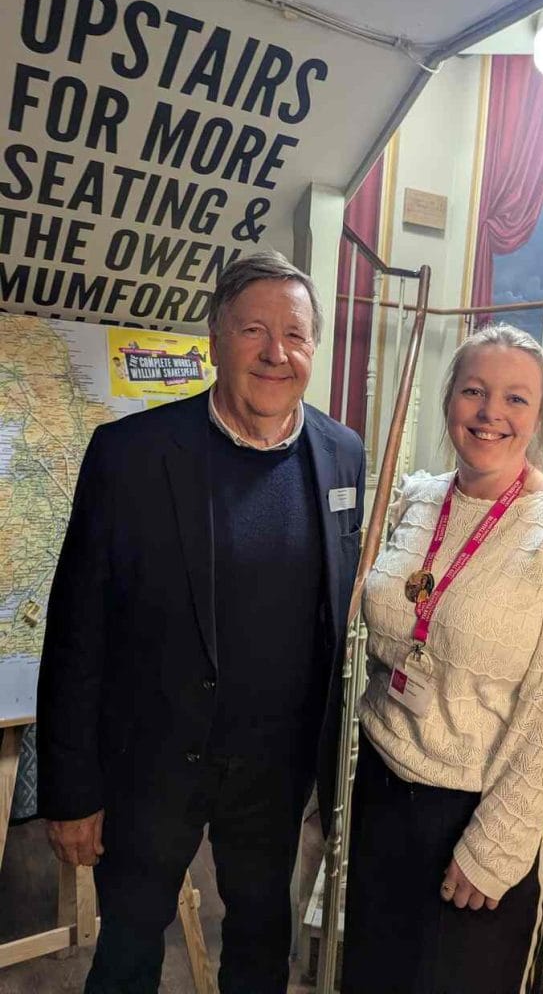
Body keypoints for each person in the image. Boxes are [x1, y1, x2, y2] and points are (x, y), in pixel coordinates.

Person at [36, 251, 365, 994]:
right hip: (150, 767)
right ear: (214, 339)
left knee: (260, 949)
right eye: (253, 330)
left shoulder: (342, 455)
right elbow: (77, 630)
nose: (276, 352)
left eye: (295, 334)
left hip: (273, 777)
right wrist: (71, 790)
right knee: (127, 953)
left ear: (314, 348)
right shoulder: (129, 455)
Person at [342, 324, 543, 994]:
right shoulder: (417, 498)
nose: (490, 412)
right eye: (474, 390)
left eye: (515, 398)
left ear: (539, 415)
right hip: (382, 788)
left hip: (478, 808)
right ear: (449, 400)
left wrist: (494, 845)